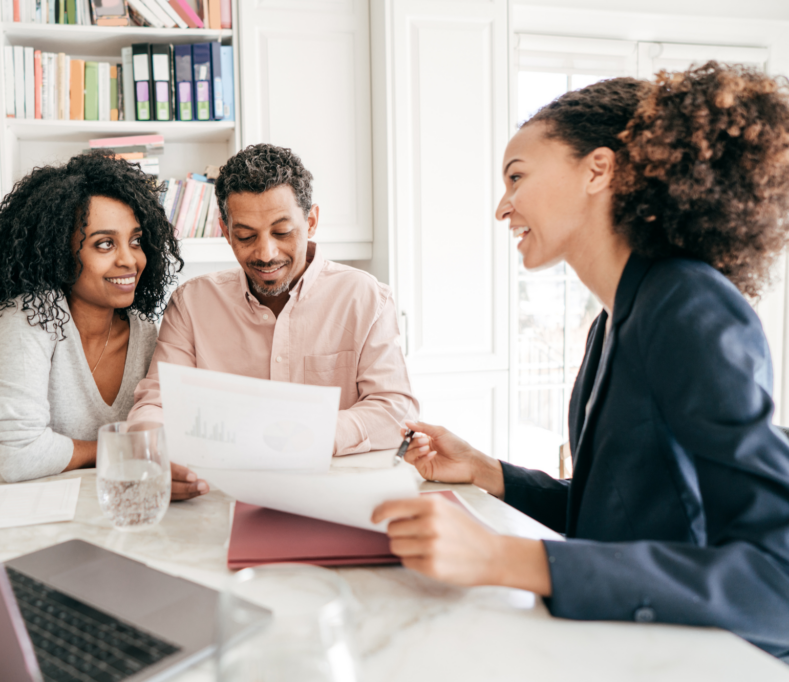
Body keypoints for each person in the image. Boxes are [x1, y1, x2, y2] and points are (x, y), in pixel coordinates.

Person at [372, 63, 789, 661]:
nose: (502, 207)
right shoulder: (615, 320)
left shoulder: (687, 303)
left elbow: (776, 581)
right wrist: (489, 472)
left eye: (516, 177)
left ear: (599, 169)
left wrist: (499, 556)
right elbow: (616, 518)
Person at [128, 144, 419, 495]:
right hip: (220, 494)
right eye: (246, 236)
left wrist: (310, 434)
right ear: (224, 229)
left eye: (282, 232)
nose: (266, 254)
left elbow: (394, 411)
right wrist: (151, 453)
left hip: (334, 495)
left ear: (310, 221)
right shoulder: (191, 303)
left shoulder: (366, 298)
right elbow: (157, 403)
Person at [0, 151, 201, 499]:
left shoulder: (145, 332)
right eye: (104, 244)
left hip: (89, 509)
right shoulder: (30, 317)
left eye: (135, 241)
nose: (129, 259)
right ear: (59, 253)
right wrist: (122, 451)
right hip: (1, 514)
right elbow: (18, 455)